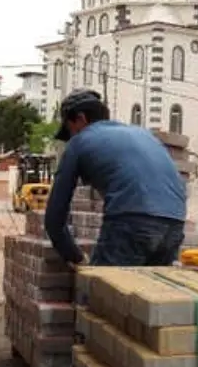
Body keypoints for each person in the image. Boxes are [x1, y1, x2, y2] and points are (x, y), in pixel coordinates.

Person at [44, 89, 187, 267]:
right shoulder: (143, 134)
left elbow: (53, 219)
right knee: (149, 290)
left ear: (81, 119)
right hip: (175, 223)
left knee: (103, 289)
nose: (71, 137)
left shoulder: (80, 142)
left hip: (132, 224)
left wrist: (75, 257)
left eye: (70, 131)